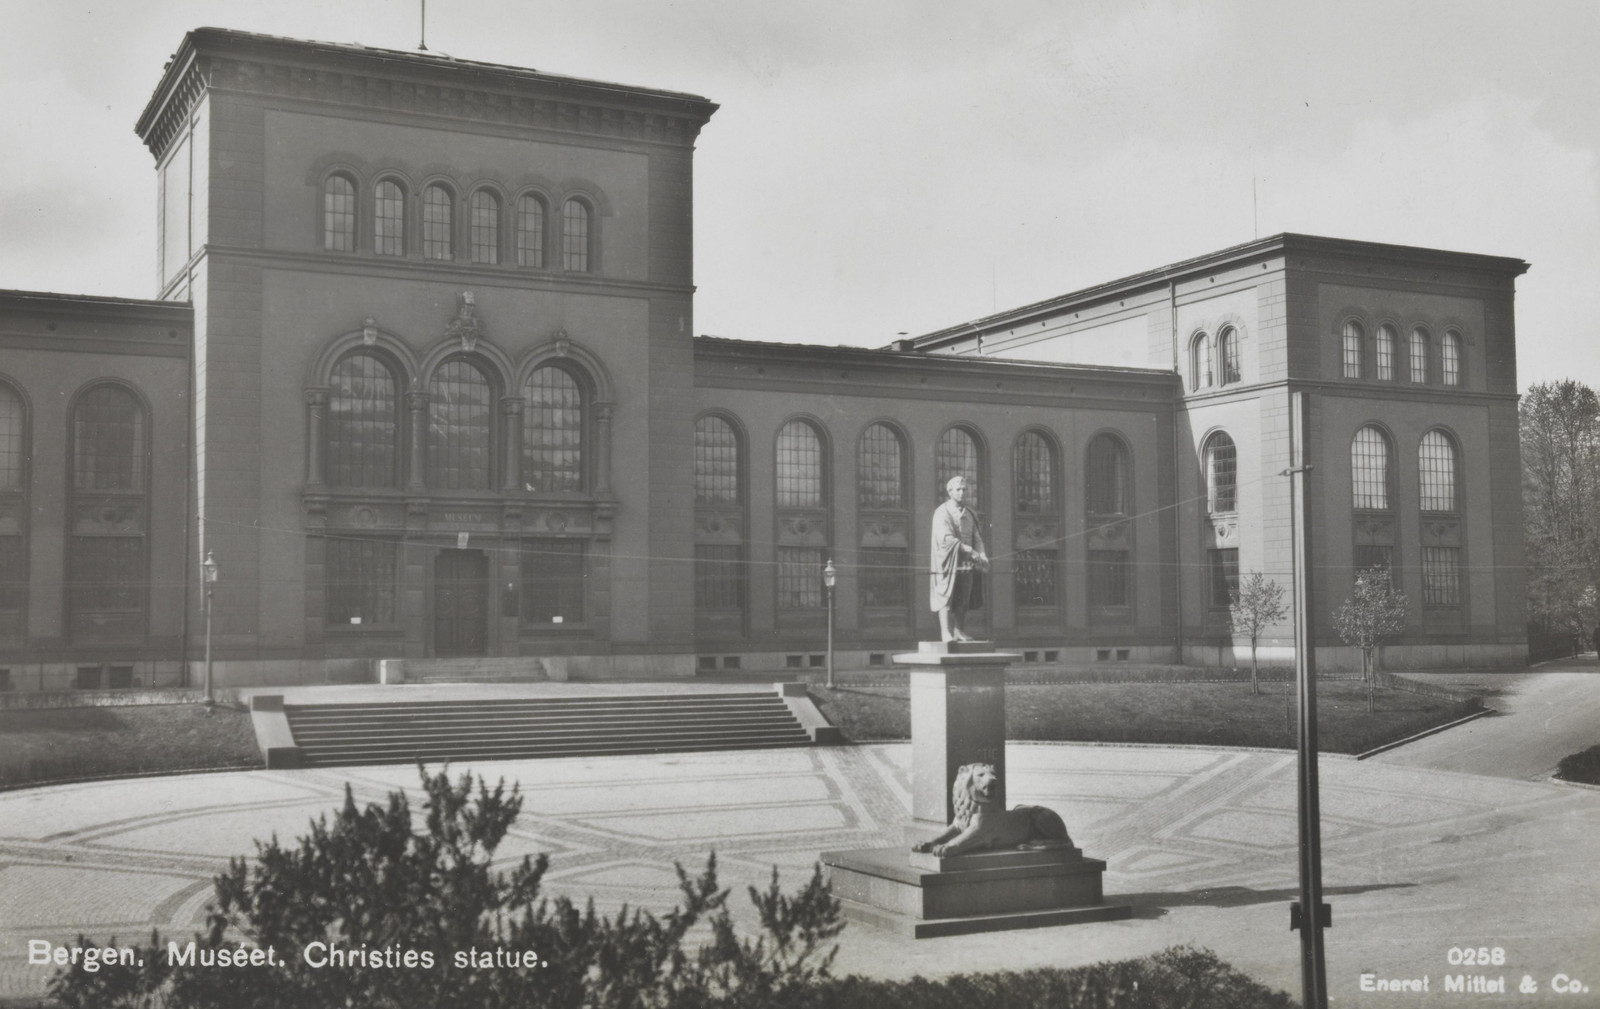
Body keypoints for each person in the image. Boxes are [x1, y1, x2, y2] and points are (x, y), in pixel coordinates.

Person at [929, 475, 989, 642]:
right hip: (947, 563)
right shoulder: (942, 512)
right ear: (950, 492)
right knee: (946, 596)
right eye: (958, 489)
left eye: (964, 489)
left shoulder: (970, 513)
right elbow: (946, 538)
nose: (962, 492)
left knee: (963, 597)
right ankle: (945, 632)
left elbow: (977, 537)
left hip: (966, 564)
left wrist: (982, 554)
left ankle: (959, 631)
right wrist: (970, 551)